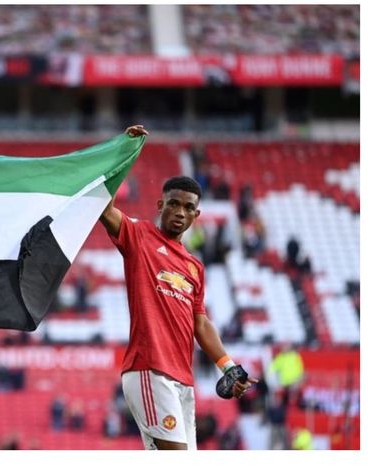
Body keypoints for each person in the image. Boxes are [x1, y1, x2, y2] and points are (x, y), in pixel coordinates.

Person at [99, 125, 257, 451]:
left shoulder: (195, 267)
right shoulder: (139, 236)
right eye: (174, 204)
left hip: (183, 381)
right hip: (149, 370)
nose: (180, 212)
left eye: (188, 208)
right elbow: (103, 207)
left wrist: (227, 365)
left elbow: (200, 322)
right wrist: (123, 153)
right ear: (160, 205)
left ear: (196, 215)